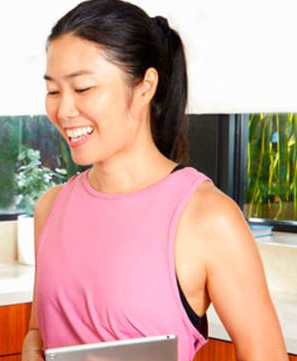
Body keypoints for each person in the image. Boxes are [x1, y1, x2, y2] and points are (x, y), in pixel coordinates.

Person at [21, 1, 288, 360]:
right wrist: (32, 346)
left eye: (83, 88)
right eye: (53, 91)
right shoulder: (51, 208)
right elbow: (39, 332)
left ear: (145, 86)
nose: (64, 110)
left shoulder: (207, 218)